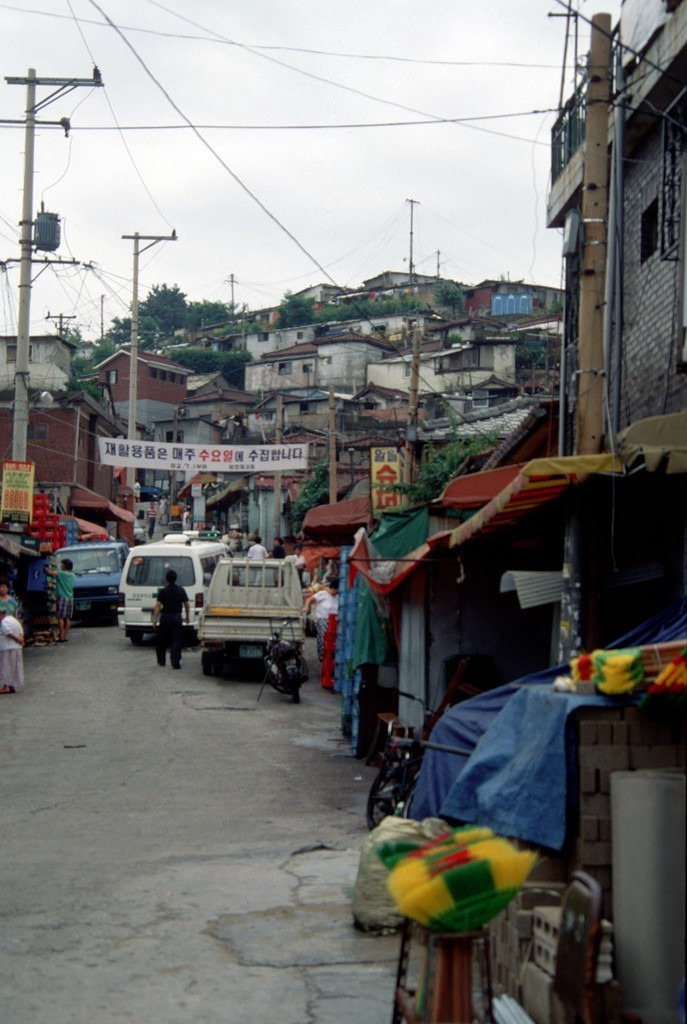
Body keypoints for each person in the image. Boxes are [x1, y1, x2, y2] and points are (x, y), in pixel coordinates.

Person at [152, 569, 190, 669]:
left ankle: (161, 660)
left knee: (162, 639)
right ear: (176, 578)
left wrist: (155, 619)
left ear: (167, 579)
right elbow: (186, 604)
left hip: (165, 617)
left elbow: (158, 605)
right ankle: (175, 662)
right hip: (177, 617)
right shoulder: (181, 590)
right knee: (176, 640)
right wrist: (187, 616)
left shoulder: (163, 591)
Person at [304, 579, 339, 661]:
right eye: (336, 590)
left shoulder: (338, 597)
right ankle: (323, 657)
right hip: (324, 619)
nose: (336, 593)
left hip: (335, 621)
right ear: (333, 588)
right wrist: (306, 607)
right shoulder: (323, 594)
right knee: (324, 639)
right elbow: (309, 600)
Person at [46, 558, 75, 642]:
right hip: (70, 597)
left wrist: (45, 567)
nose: (61, 566)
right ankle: (66, 636)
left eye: (62, 564)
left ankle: (61, 636)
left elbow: (50, 572)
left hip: (62, 597)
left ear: (65, 566)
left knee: (61, 617)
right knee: (68, 618)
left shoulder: (62, 573)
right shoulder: (73, 575)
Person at [0, 608, 24, 694]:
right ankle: (12, 685)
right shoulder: (13, 619)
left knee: (6, 666)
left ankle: (6, 686)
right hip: (16, 647)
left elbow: (8, 633)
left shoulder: (3, 622)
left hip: (7, 647)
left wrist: (18, 639)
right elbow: (21, 629)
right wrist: (21, 639)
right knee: (13, 666)